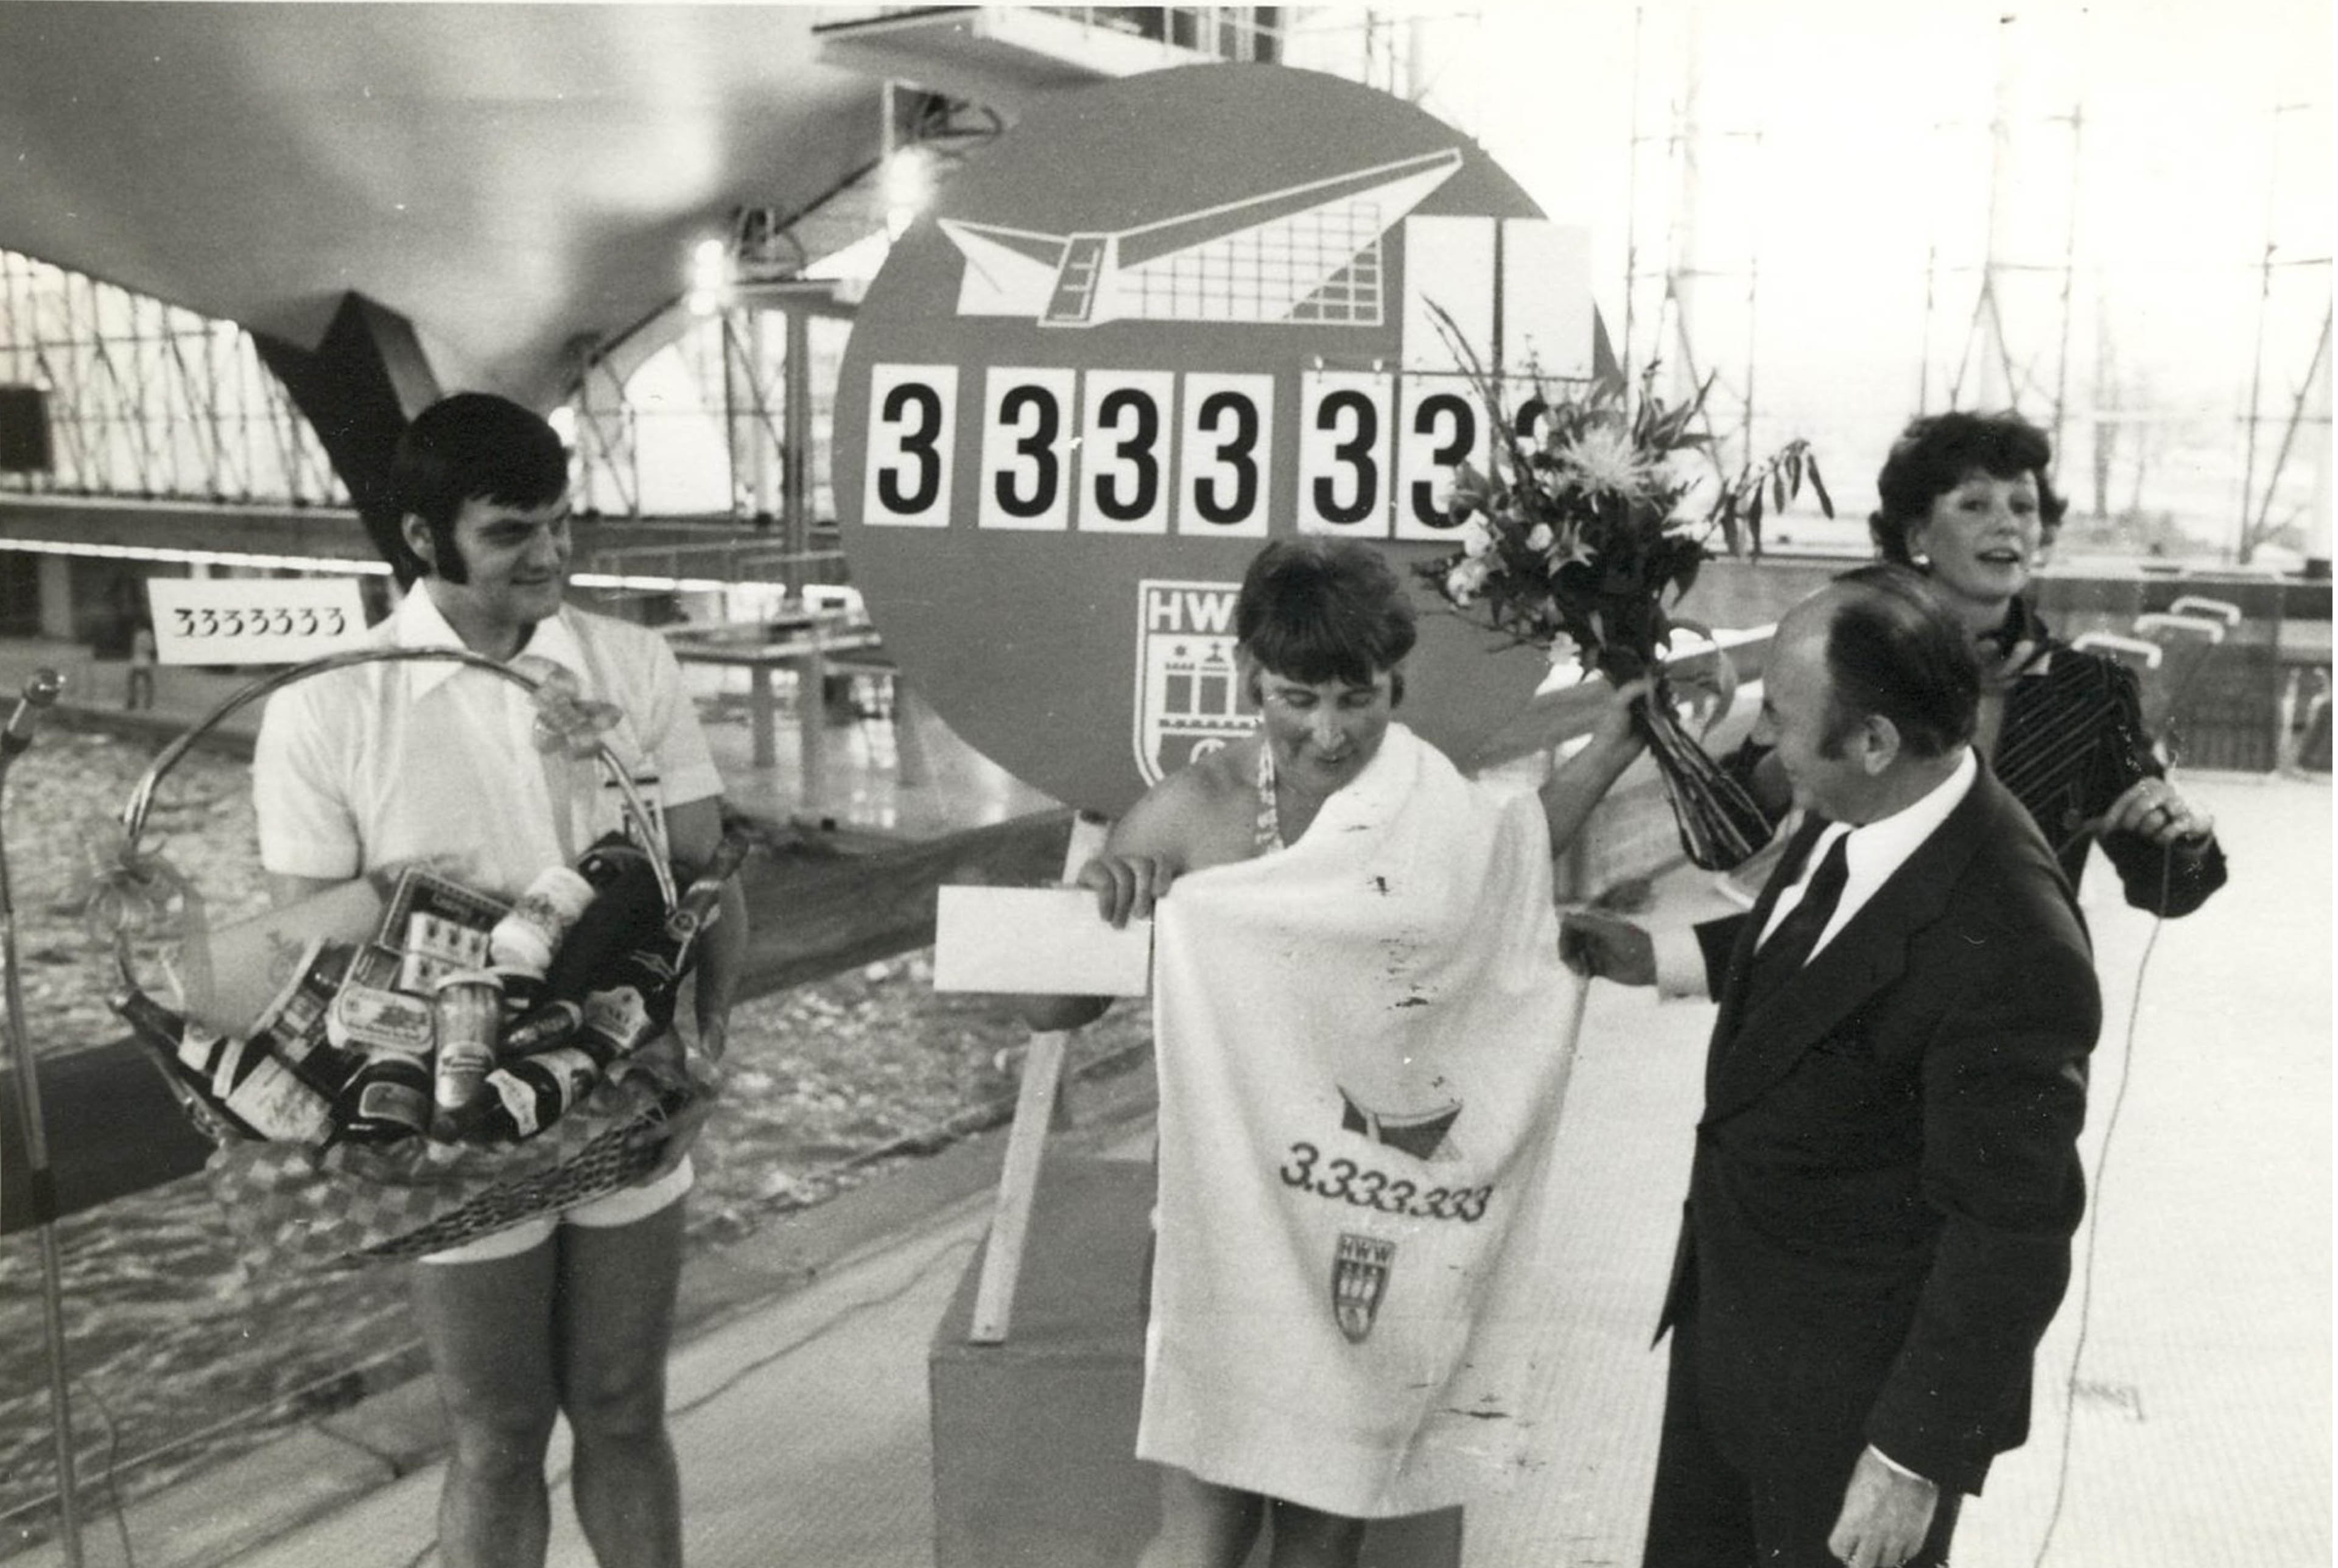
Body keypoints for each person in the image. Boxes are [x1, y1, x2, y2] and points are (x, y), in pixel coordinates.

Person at [1023, 537, 1649, 1568]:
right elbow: (1053, 1008)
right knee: (1204, 1545)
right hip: (1225, 1229)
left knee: (1323, 1548)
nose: (1328, 731)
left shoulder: (1426, 792)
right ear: (1248, 679)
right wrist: (1101, 899)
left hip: (1366, 1225)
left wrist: (1609, 751)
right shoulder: (1197, 811)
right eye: (1295, 697)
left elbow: (1510, 868)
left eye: (1357, 698)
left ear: (1395, 684)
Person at [251, 392, 745, 1568]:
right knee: (498, 1429)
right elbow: (306, 951)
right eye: (513, 531)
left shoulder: (632, 662)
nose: (551, 554)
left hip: (628, 1081)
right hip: (450, 1110)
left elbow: (705, 873)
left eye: (561, 523)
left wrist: (710, 1049)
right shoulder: (326, 703)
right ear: (424, 539)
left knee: (625, 1400)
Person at [1563, 565, 2102, 1568]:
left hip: (1859, 1410)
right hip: (1733, 1338)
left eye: (1780, 715)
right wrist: (1667, 958)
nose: (1763, 740)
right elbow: (1830, 949)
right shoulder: (1869, 805)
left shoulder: (2012, 937)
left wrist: (1912, 1457)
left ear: (1873, 739)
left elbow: (2012, 1232)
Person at [1733, 410, 2225, 917]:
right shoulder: (1838, 658)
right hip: (1848, 982)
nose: (2007, 523)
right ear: (1917, 536)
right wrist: (1811, 737)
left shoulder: (2091, 692)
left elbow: (2170, 892)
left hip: (2016, 985)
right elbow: (1723, 841)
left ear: (2043, 535)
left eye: (2024, 507)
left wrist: (2185, 834)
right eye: (1974, 505)